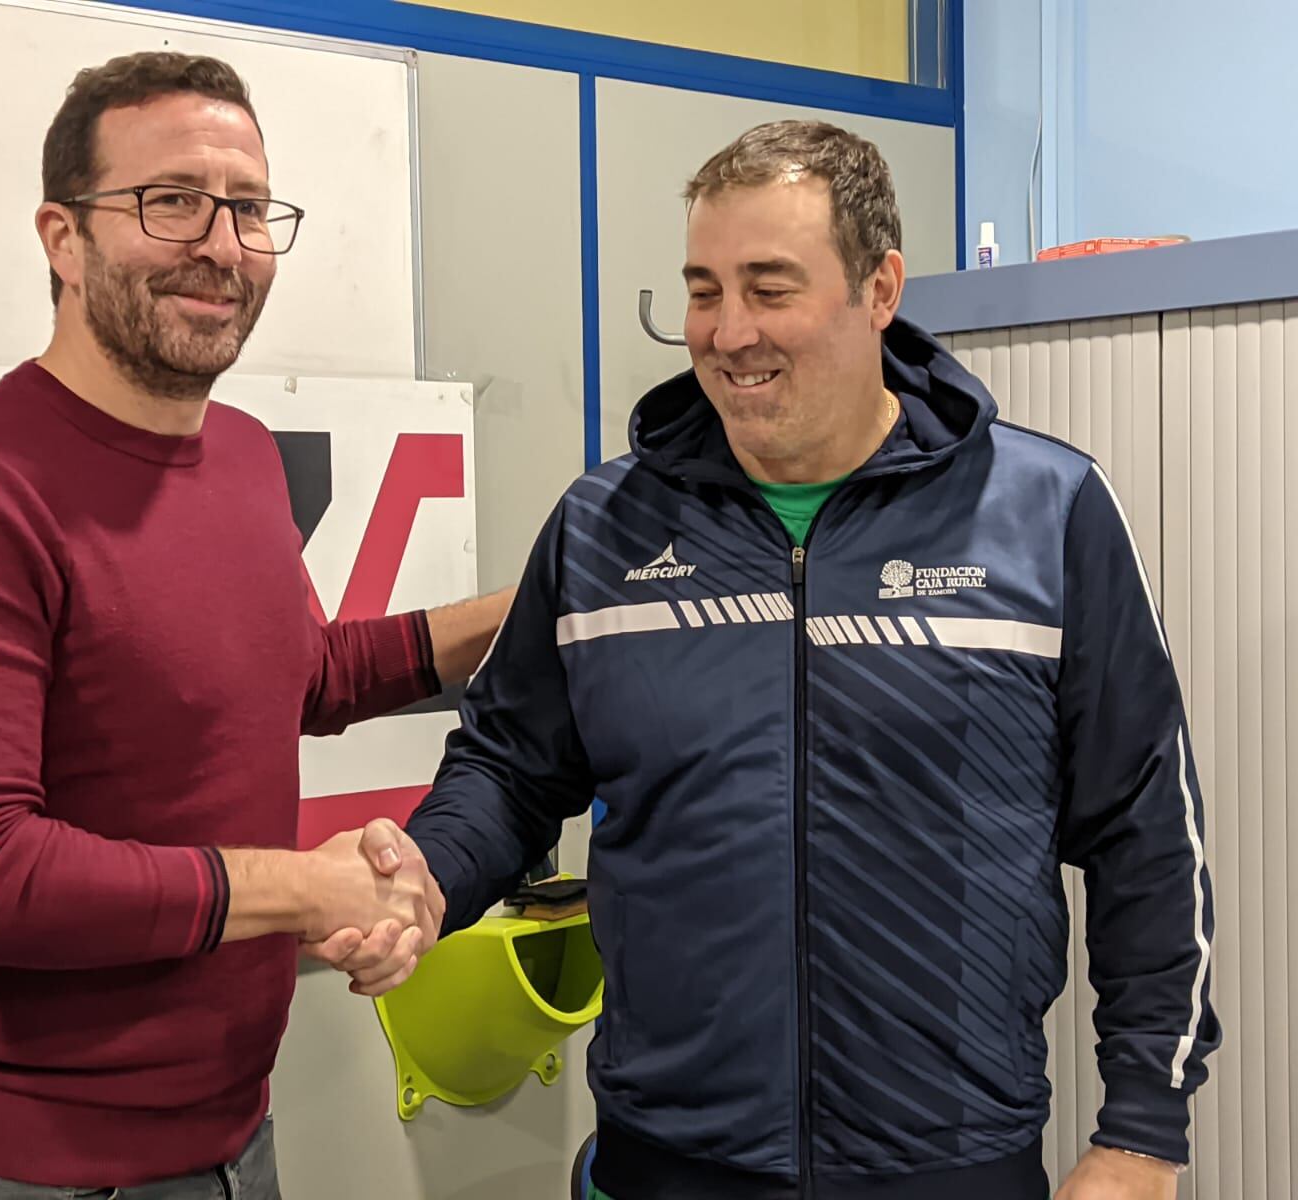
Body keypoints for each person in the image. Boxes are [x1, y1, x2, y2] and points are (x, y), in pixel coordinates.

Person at [363, 121, 1220, 1200]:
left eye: (768, 288)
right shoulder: (602, 528)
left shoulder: (1044, 514)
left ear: (879, 288)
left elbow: (1147, 833)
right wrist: (430, 875)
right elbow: (509, 768)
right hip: (666, 1160)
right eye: (702, 290)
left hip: (948, 1161)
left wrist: (1142, 1133)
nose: (726, 333)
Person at [0, 51, 507, 1200]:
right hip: (22, 1169)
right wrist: (309, 888)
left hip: (228, 1141)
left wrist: (538, 601)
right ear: (62, 238)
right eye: (173, 201)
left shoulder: (242, 453)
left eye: (249, 209)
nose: (222, 245)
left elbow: (297, 678)